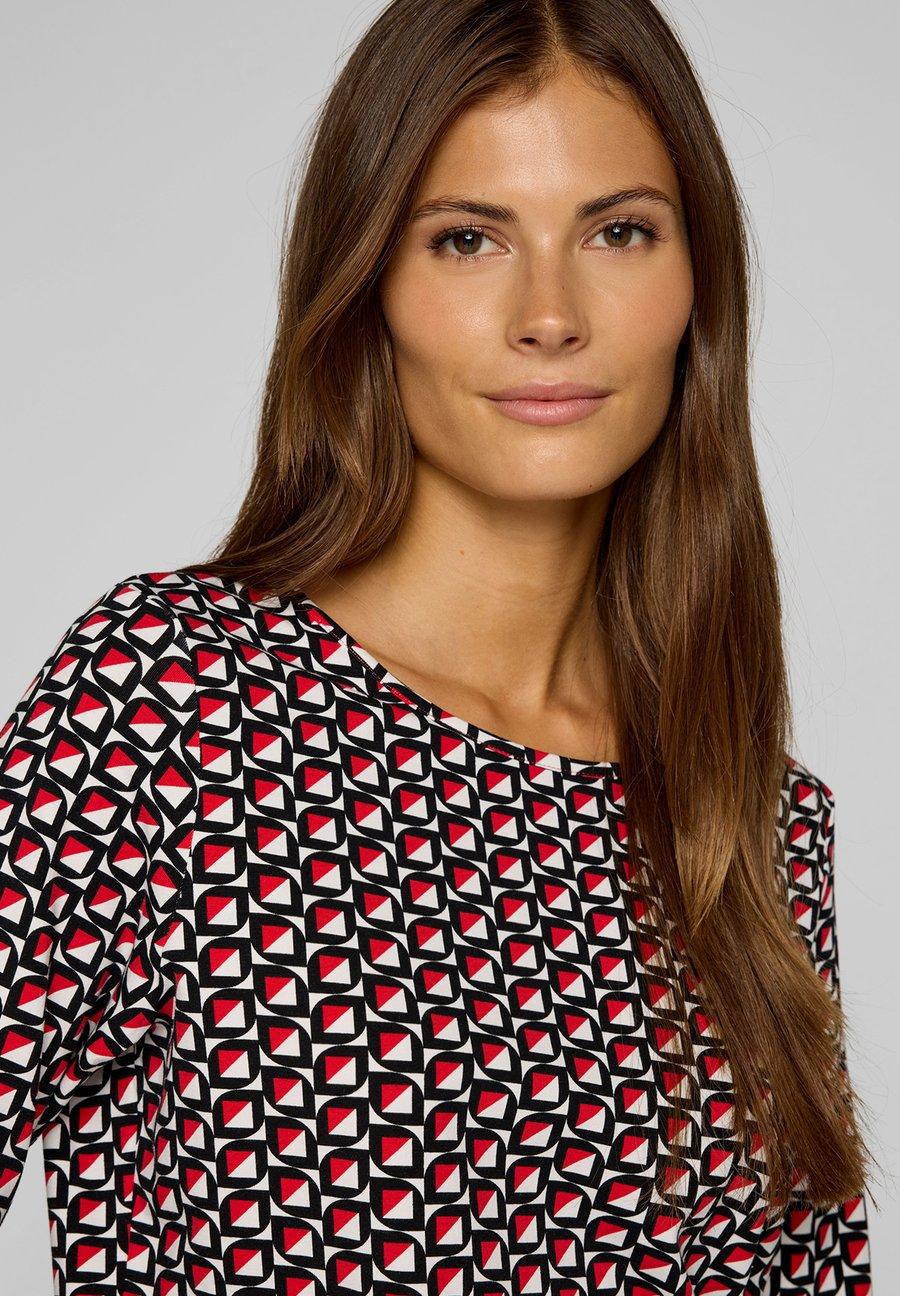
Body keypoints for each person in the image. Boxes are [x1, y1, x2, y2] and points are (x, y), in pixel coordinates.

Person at [0, 1, 879, 1292]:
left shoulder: (750, 818)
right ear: (370, 284)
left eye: (619, 231)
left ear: (698, 282)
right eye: (468, 238)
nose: (549, 315)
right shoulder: (172, 702)